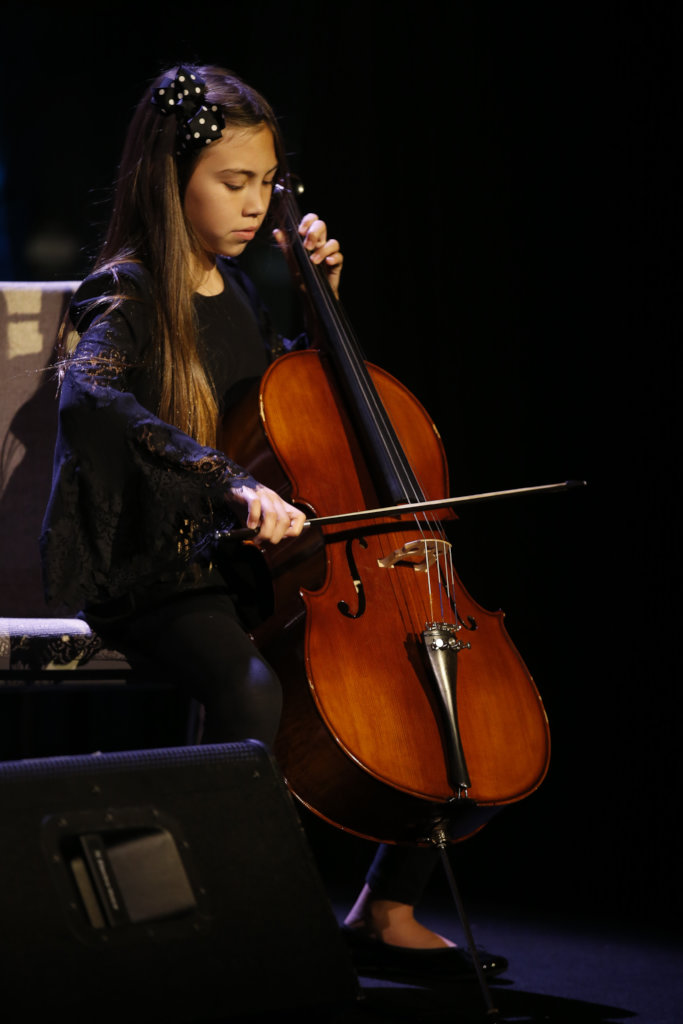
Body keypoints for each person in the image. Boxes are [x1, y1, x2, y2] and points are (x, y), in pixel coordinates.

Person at [40, 63, 507, 981]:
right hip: (157, 569)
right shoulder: (128, 292)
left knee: (440, 677)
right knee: (251, 686)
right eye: (232, 182)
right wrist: (225, 482)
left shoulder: (239, 288)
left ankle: (388, 908)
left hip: (240, 560)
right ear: (169, 181)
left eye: (266, 183)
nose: (256, 205)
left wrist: (316, 301)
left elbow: (280, 413)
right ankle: (218, 913)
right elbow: (86, 399)